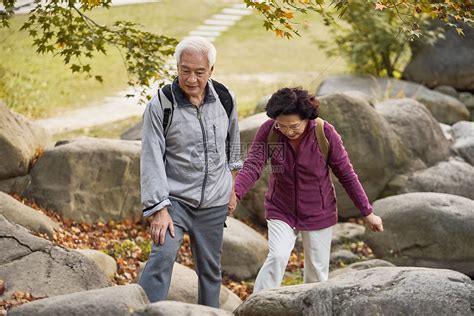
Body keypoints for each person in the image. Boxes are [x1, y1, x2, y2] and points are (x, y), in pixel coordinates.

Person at [233, 87, 383, 292]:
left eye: (294, 126)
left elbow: (346, 174)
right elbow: (253, 165)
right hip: (281, 207)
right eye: (282, 125)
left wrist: (367, 211)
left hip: (318, 210)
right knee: (277, 256)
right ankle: (258, 305)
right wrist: (235, 193)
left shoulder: (325, 133)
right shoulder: (269, 131)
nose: (287, 131)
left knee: (317, 274)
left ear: (307, 118)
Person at [139, 36, 242, 307]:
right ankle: (144, 312)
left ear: (211, 70)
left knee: (210, 271)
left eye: (199, 72)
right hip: (175, 201)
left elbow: (233, 145)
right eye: (185, 70)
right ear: (177, 67)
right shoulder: (161, 104)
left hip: (214, 202)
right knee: (162, 257)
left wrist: (231, 188)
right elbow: (151, 157)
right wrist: (158, 208)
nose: (192, 78)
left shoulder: (225, 97)